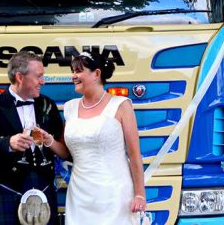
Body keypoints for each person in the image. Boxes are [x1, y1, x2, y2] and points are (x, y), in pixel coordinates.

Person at [40, 51, 146, 224]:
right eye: (73, 71)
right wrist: (48, 141)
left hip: (114, 193)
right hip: (79, 194)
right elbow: (66, 153)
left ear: (97, 74)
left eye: (79, 71)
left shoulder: (121, 105)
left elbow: (134, 154)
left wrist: (140, 194)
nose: (73, 76)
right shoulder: (70, 107)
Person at [0, 51, 64, 225]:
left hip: (44, 187)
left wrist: (49, 141)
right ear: (20, 77)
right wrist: (8, 144)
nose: (42, 81)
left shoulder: (47, 104)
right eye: (38, 76)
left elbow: (63, 147)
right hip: (8, 187)